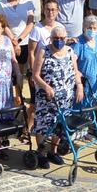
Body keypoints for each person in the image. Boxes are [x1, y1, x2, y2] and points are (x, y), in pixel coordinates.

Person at [31, 24, 84, 169]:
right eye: (55, 38)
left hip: (65, 97)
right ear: (50, 38)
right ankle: (41, 153)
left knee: (60, 125)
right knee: (43, 125)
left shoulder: (69, 51)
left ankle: (53, 151)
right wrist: (46, 86)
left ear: (66, 38)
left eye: (61, 38)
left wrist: (79, 86)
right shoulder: (43, 51)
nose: (58, 41)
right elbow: (35, 75)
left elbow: (75, 71)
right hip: (47, 97)